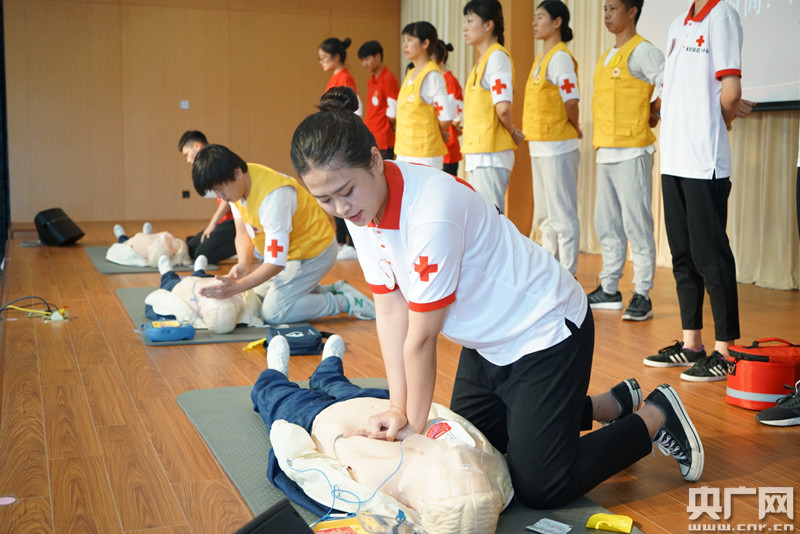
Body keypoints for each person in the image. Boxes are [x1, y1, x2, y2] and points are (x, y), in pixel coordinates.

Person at [289, 87, 705, 510]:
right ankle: (609, 404)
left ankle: (656, 414)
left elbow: (421, 338)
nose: (340, 208)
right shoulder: (362, 206)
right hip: (487, 343)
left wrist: (411, 426)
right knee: (472, 446)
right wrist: (397, 406)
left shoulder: (430, 210)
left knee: (540, 487)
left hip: (545, 330)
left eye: (345, 192)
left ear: (376, 161)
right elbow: (390, 307)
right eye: (325, 200)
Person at [252, 334, 514, 533]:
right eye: (467, 466)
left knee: (276, 396)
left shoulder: (379, 491)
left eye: (452, 468)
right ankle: (329, 366)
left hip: (314, 417)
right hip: (380, 405)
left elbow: (311, 463)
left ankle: (275, 374)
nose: (456, 455)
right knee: (336, 383)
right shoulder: (482, 468)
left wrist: (288, 434)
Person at [644, 0, 754, 381]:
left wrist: (718, 125)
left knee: (711, 254)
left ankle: (725, 351)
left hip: (704, 160)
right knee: (682, 253)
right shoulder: (678, 24)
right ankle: (692, 344)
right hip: (673, 158)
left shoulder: (722, 16)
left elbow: (731, 91)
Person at [191, 144, 375, 324]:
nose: (220, 196)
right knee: (258, 294)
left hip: (315, 252)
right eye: (215, 191)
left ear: (237, 173)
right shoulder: (238, 187)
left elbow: (275, 263)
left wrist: (236, 287)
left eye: (219, 189)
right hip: (291, 255)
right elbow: (242, 233)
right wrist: (243, 264)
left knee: (274, 312)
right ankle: (332, 289)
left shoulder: (273, 196)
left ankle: (346, 302)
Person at [587, 0, 664, 321]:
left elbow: (669, 82)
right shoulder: (607, 56)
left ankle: (642, 292)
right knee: (607, 223)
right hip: (605, 150)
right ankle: (609, 288)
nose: (607, 15)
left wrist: (654, 109)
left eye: (613, 9)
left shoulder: (643, 51)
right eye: (604, 9)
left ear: (632, 12)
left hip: (633, 151)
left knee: (637, 223)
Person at [522, 0, 582, 275]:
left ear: (557, 22)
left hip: (558, 145)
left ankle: (568, 273)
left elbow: (571, 99)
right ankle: (550, 271)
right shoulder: (542, 58)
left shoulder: (560, 57)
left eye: (540, 17)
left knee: (562, 214)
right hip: (539, 145)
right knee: (545, 215)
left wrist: (575, 125)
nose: (534, 23)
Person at [462, 0, 525, 211]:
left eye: (470, 21)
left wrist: (512, 130)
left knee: (490, 217)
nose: (465, 27)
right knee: (483, 216)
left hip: (490, 154)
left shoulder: (497, 57)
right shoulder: (482, 60)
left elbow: (503, 107)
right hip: (479, 153)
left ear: (489, 25)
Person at [146, 254, 263, 334]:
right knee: (201, 276)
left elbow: (152, 305)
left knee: (169, 281)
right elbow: (251, 300)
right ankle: (199, 270)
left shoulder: (185, 314)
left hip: (180, 286)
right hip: (207, 280)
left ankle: (166, 272)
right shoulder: (244, 312)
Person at [319, 37, 361, 260]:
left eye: (324, 58)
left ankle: (351, 243)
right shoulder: (335, 78)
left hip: (342, 141)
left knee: (344, 192)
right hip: (334, 139)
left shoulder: (345, 78)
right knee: (334, 192)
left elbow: (351, 111)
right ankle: (341, 240)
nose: (321, 62)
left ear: (336, 57)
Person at [394, 21, 454, 171]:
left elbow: (446, 117)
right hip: (404, 151)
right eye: (403, 40)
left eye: (410, 40)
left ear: (425, 43)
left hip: (425, 154)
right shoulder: (410, 73)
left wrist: (436, 132)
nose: (405, 45)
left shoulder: (432, 75)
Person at [177, 130, 237, 264]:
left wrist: (212, 224)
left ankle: (245, 245)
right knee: (189, 248)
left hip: (236, 222)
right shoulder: (208, 164)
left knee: (200, 255)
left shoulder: (218, 160)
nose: (188, 160)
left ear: (197, 146)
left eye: (187, 154)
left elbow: (228, 199)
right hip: (225, 221)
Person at [358, 41, 399, 162]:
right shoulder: (371, 81)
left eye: (367, 59)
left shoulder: (388, 78)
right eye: (362, 60)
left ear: (378, 56)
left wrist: (389, 129)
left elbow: (393, 110)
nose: (364, 64)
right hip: (371, 136)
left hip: (383, 139)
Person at [432, 40, 464, 177]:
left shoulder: (449, 81)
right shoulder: (435, 79)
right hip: (436, 146)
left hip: (448, 147)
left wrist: (452, 127)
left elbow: (457, 115)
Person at [106, 222, 191, 268]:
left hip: (131, 244)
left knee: (123, 241)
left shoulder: (160, 250)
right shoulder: (164, 240)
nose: (168, 234)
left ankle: (121, 236)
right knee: (143, 237)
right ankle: (147, 233)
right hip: (144, 240)